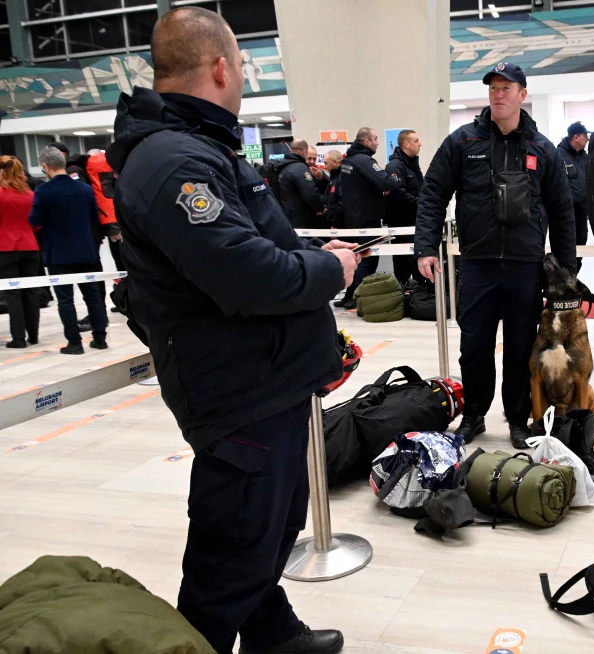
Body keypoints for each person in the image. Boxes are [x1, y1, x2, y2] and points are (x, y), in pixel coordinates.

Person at [107, 7, 360, 654]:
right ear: (221, 67)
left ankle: (273, 634)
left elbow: (249, 245)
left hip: (267, 376)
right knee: (230, 557)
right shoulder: (173, 162)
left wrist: (312, 261)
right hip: (239, 390)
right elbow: (246, 275)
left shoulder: (199, 148)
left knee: (268, 528)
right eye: (242, 68)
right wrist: (329, 270)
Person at [414, 62, 576, 448]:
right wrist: (425, 247)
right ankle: (474, 415)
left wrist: (567, 270)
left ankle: (518, 419)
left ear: (523, 94)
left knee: (520, 349)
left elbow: (562, 211)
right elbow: (433, 193)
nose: (498, 94)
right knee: (474, 347)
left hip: (524, 267)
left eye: (506, 87)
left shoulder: (542, 149)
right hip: (477, 264)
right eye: (493, 88)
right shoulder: (463, 142)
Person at [29, 146, 108, 355]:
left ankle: (74, 342)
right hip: (86, 250)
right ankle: (100, 338)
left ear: (46, 166)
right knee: (93, 296)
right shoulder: (85, 189)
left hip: (58, 254)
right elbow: (93, 216)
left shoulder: (43, 191)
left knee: (65, 300)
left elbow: (34, 220)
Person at [332, 127, 400, 309]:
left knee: (355, 257)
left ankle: (349, 295)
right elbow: (385, 181)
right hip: (366, 218)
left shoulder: (348, 160)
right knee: (367, 258)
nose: (378, 142)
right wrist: (395, 178)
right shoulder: (365, 161)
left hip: (351, 218)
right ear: (367, 141)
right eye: (375, 139)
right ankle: (357, 297)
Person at [0, 155, 40, 349]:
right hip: (30, 246)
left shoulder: (1, 194)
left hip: (6, 247)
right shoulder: (31, 195)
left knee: (13, 294)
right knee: (31, 292)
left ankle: (18, 338)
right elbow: (37, 223)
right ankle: (33, 335)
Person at [385, 129, 424, 286]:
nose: (420, 144)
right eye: (416, 141)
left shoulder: (412, 165)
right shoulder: (395, 166)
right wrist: (421, 203)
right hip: (401, 221)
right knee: (403, 261)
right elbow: (398, 193)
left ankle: (421, 288)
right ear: (406, 144)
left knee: (417, 258)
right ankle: (403, 289)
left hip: (415, 220)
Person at [557, 121, 589, 272]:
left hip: (582, 213)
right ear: (576, 137)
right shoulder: (558, 155)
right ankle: (564, 282)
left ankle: (573, 279)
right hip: (565, 215)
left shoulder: (584, 157)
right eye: (585, 135)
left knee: (580, 250)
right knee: (565, 253)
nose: (587, 139)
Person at [276, 139, 326, 229]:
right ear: (304, 152)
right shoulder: (300, 168)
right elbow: (310, 193)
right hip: (301, 219)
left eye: (314, 159)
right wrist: (320, 207)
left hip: (288, 216)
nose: (312, 161)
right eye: (309, 157)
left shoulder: (283, 166)